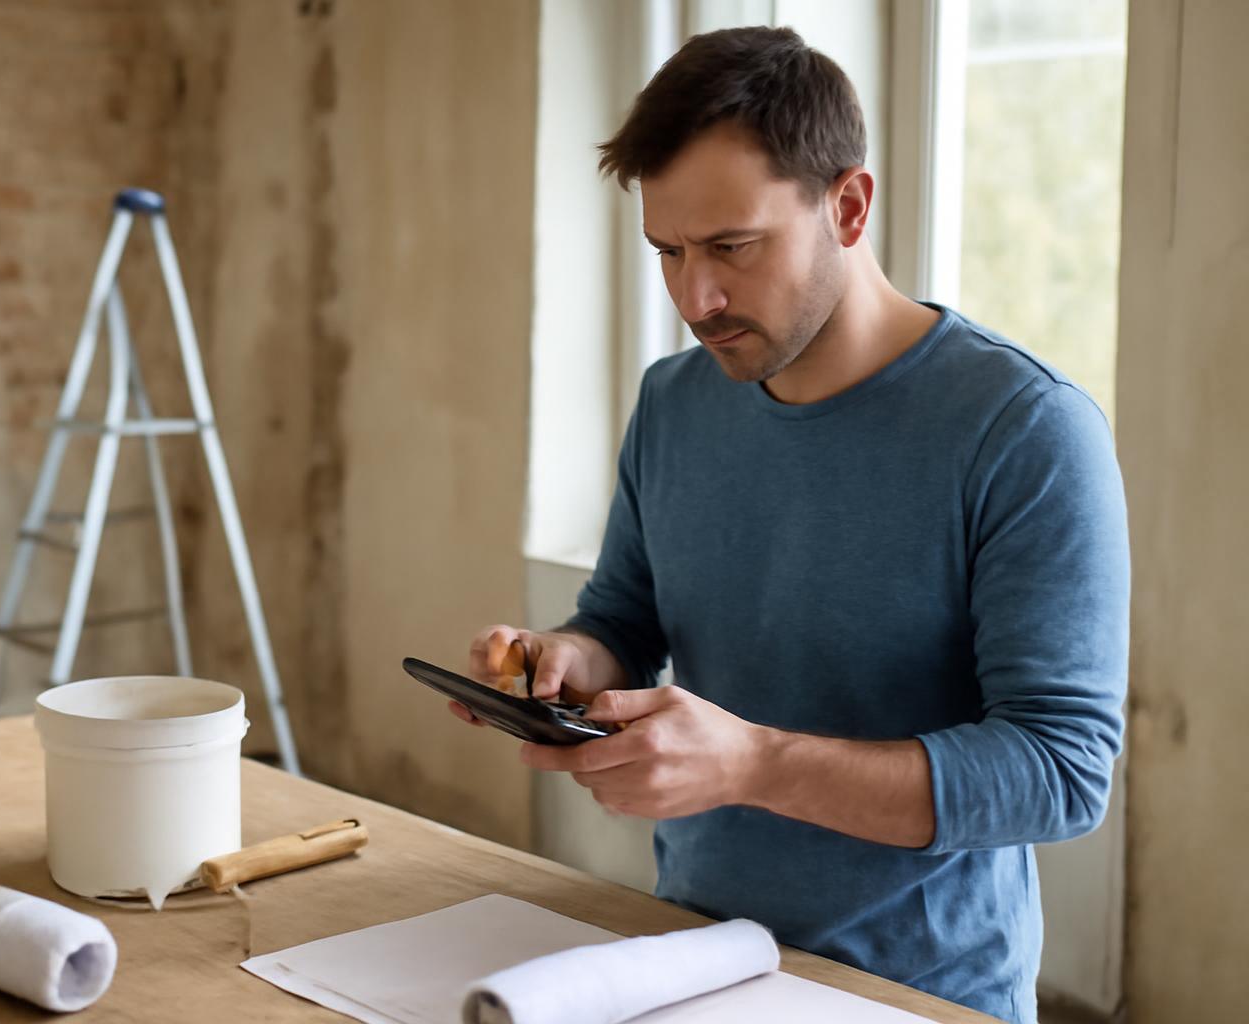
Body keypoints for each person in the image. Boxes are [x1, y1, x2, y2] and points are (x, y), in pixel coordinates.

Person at [451, 26, 1129, 1024]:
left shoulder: (1026, 430)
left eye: (732, 246)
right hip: (689, 961)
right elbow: (624, 622)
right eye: (669, 252)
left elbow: (1059, 772)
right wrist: (560, 663)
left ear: (848, 207)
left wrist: (754, 765)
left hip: (918, 997)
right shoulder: (675, 402)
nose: (696, 297)